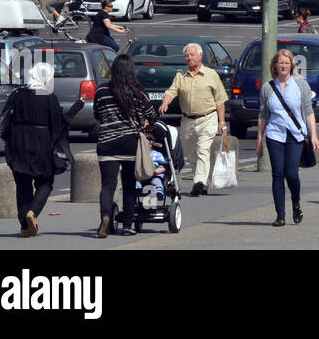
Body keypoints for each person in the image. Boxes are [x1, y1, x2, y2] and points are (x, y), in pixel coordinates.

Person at [3, 63, 72, 238]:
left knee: (22, 184)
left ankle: (24, 226)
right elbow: (58, 125)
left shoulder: (17, 94)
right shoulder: (49, 97)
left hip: (18, 142)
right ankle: (32, 213)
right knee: (45, 182)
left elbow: (5, 119)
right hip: (41, 142)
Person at [93, 54, 157, 238]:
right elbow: (152, 115)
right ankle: (128, 225)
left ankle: (105, 216)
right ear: (131, 70)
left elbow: (97, 115)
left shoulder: (101, 90)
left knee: (108, 185)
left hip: (106, 142)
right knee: (129, 184)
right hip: (130, 143)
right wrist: (147, 125)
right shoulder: (137, 90)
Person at [256, 49, 319, 226]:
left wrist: (313, 134)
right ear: (275, 66)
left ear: (291, 65)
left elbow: (308, 111)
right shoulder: (268, 87)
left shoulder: (301, 85)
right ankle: (280, 215)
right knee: (277, 174)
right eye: (280, 62)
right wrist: (260, 140)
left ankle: (296, 203)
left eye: (286, 62)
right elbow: (263, 115)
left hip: (295, 135)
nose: (283, 65)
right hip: (275, 135)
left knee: (291, 174)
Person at [159, 43, 228, 196]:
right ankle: (203, 181)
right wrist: (165, 102)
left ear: (200, 56)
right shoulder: (181, 76)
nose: (189, 58)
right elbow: (171, 91)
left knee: (203, 150)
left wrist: (221, 122)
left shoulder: (211, 74)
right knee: (191, 154)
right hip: (187, 121)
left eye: (192, 55)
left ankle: (198, 182)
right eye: (186, 55)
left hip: (208, 118)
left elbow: (220, 100)